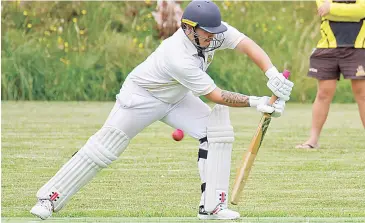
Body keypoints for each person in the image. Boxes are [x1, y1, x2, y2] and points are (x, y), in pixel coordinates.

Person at [30, 1, 293, 220]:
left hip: (177, 97)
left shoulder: (212, 33)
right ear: (189, 29)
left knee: (217, 133)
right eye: (207, 32)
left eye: (215, 32)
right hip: (141, 97)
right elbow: (215, 95)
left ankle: (212, 206)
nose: (213, 37)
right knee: (104, 148)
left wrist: (271, 73)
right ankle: (49, 199)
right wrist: (257, 101)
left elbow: (246, 44)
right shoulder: (177, 55)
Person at [296, 0, 365, 149]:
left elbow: (362, 10)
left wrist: (332, 8)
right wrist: (351, 11)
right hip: (327, 48)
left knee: (363, 95)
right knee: (323, 94)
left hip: (359, 48)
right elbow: (323, 9)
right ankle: (312, 141)